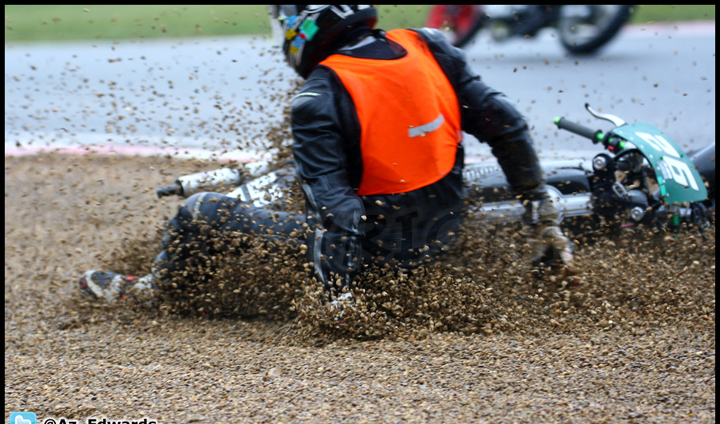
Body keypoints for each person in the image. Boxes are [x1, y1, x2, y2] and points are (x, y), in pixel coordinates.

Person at [79, 5, 578, 313]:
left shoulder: (318, 95)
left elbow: (337, 212)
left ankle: (149, 291)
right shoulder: (426, 45)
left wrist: (337, 300)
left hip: (377, 257)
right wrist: (539, 204)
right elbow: (504, 122)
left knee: (199, 213)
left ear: (307, 19)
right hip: (447, 228)